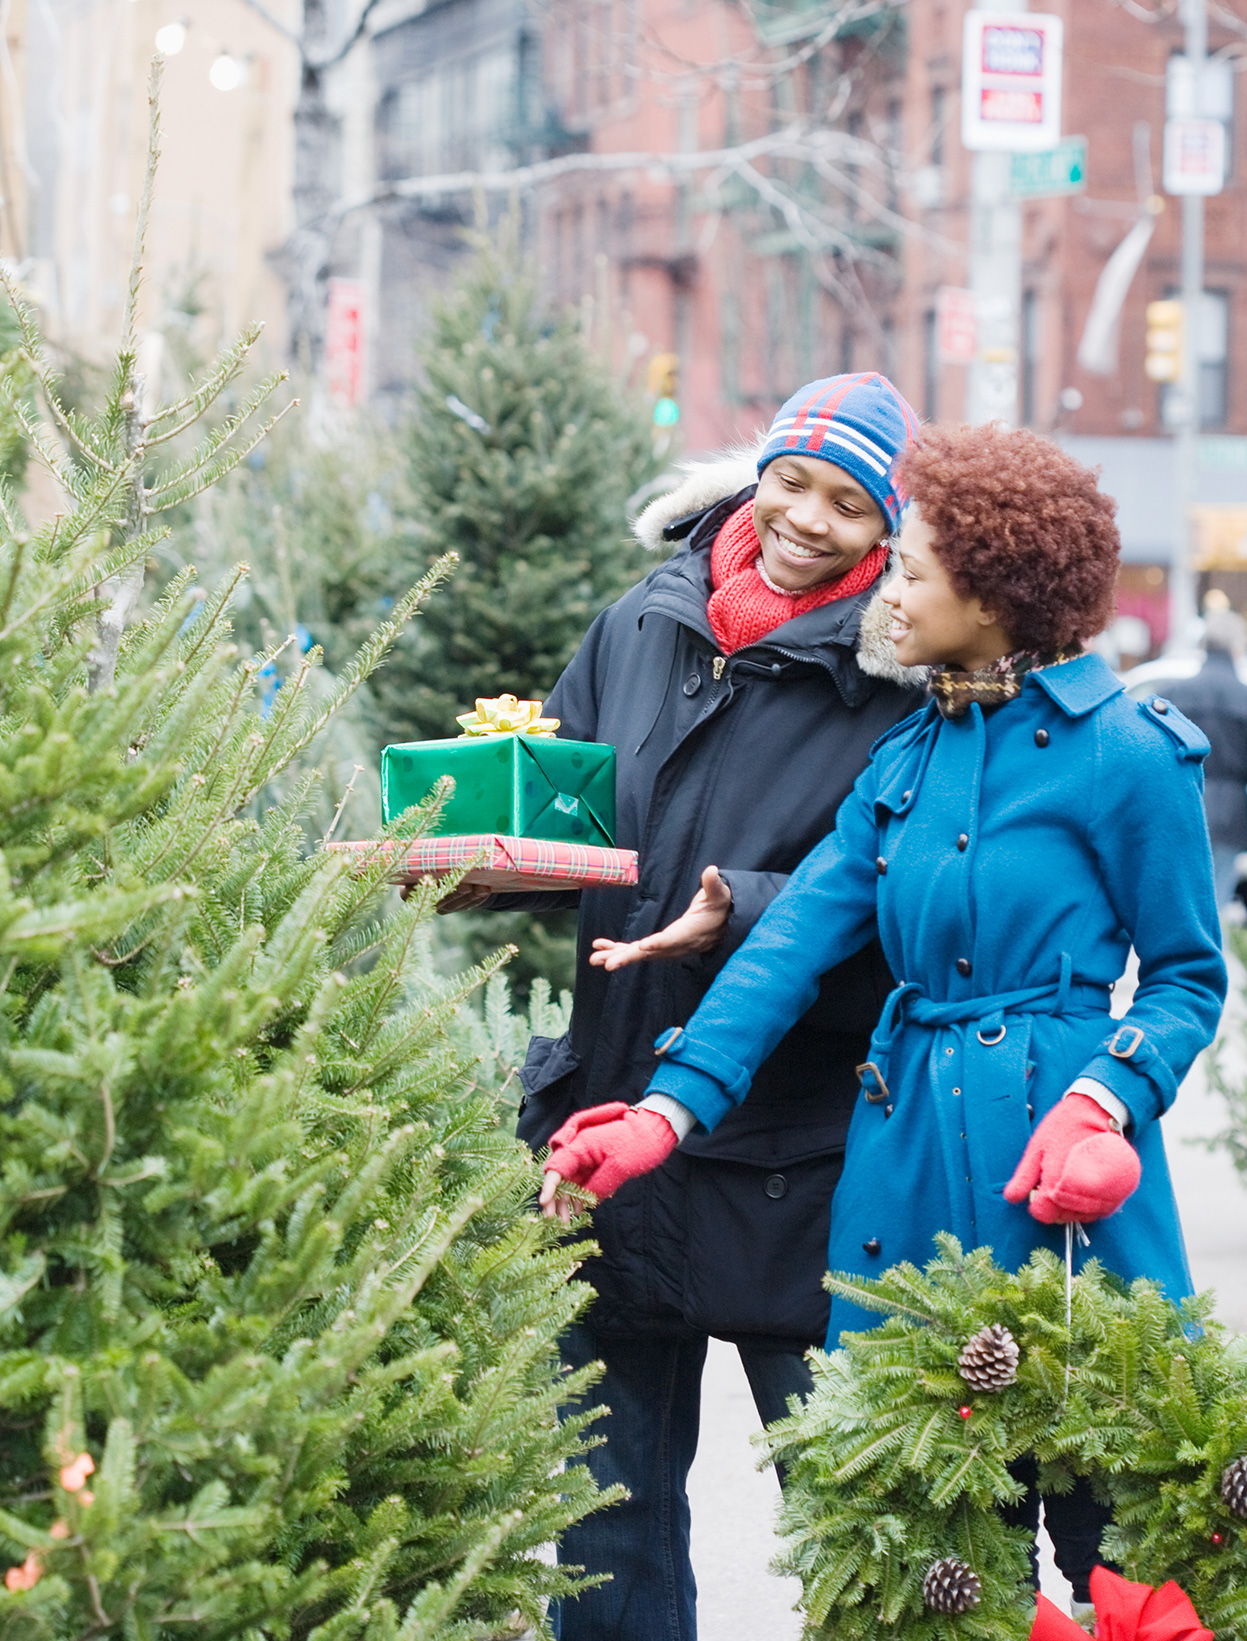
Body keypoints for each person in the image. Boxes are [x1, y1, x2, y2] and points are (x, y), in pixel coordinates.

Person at [539, 424, 1229, 1603]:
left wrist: (1105, 1097)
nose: (886, 591)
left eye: (911, 570)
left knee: (1118, 1532)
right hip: (901, 1167)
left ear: (996, 596)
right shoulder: (908, 757)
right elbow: (790, 948)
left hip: (1063, 1164)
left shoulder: (1126, 755)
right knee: (938, 1541)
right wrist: (662, 1115)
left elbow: (1186, 976)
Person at [456, 373, 926, 1641]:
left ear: (890, 531)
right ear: (755, 473)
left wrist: (752, 910)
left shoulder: (905, 681)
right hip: (610, 1125)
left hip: (797, 1153)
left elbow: (918, 905)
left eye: (849, 502)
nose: (808, 519)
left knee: (857, 1506)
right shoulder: (647, 620)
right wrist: (475, 860)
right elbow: (568, 798)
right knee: (605, 1523)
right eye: (792, 481)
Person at [1163, 609, 1247, 912]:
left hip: (1181, 809)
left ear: (1204, 646)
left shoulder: (1173, 695)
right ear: (1238, 648)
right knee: (1215, 905)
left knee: (1180, 906)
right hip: (1232, 818)